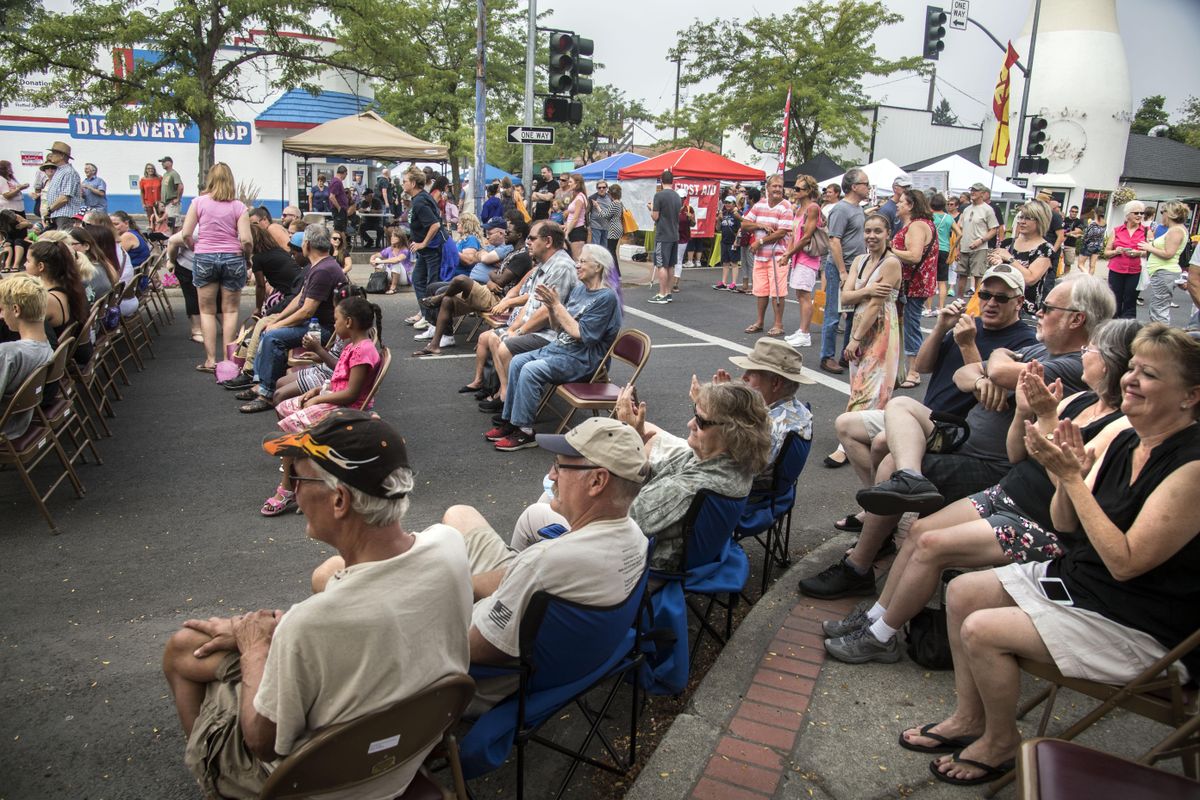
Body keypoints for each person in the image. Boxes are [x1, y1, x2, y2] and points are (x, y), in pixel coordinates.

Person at [907, 323, 1200, 786]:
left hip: (1140, 622)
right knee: (963, 591)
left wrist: (1074, 482)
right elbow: (1065, 524)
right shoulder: (1128, 439)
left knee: (983, 630)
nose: (1131, 379)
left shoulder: (1192, 467)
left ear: (1190, 396)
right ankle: (969, 719)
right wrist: (1069, 477)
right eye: (1134, 368)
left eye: (1150, 375)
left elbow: (1125, 563)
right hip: (1086, 582)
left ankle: (1000, 742)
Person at [164, 411, 471, 799]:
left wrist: (255, 646)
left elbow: (262, 740)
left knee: (182, 648)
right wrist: (273, 629)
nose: (291, 489)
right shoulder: (449, 545)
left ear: (339, 500)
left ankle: (219, 777)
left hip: (321, 783)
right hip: (410, 746)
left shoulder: (311, 624)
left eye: (297, 477)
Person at [823, 319, 1139, 664]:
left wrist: (1045, 420)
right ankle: (875, 618)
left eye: (1091, 349)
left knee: (931, 546)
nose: (1083, 353)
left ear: (1108, 361)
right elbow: (1018, 455)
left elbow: (1066, 487)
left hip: (1041, 522)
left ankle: (881, 636)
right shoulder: (1079, 401)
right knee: (919, 531)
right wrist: (1023, 411)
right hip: (1010, 493)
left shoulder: (1118, 426)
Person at [800, 273, 1113, 599]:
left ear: (1076, 319)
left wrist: (986, 360)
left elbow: (999, 370)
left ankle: (861, 564)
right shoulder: (1037, 348)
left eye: (1047, 307)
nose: (1040, 313)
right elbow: (948, 371)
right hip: (960, 436)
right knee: (897, 410)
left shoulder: (1069, 363)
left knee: (889, 457)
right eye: (985, 294)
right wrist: (977, 371)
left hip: (991, 462)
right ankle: (902, 491)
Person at [833, 266, 1037, 522]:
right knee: (846, 424)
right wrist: (941, 327)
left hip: (955, 426)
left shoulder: (1024, 342)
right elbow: (923, 366)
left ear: (1019, 302)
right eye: (985, 295)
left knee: (883, 443)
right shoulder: (969, 324)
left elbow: (988, 399)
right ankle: (879, 507)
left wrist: (967, 345)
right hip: (925, 415)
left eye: (1001, 298)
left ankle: (879, 517)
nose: (991, 303)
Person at [486, 244, 622, 451]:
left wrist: (557, 305)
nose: (577, 265)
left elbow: (581, 334)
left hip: (583, 359)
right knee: (517, 362)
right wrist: (551, 308)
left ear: (598, 267)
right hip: (562, 349)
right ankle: (511, 422)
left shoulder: (606, 298)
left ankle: (525, 432)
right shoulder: (579, 290)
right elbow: (559, 328)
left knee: (530, 370)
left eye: (583, 261)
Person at [262, 297, 383, 514]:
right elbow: (340, 378)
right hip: (336, 402)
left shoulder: (363, 351)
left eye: (336, 320)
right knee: (286, 408)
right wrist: (318, 390)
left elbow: (351, 393)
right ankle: (302, 468)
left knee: (290, 428)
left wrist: (319, 399)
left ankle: (288, 485)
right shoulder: (353, 346)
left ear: (348, 322)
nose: (333, 325)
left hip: (347, 411)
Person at [237, 224, 344, 413]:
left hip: (322, 328)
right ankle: (262, 384)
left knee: (273, 337)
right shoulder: (317, 265)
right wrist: (276, 321)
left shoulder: (323, 270)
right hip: (314, 323)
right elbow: (298, 299)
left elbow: (307, 311)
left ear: (308, 244)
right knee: (269, 327)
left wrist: (278, 326)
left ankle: (267, 393)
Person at [179, 162, 252, 373]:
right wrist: (246, 257)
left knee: (207, 311)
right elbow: (246, 239)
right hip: (232, 257)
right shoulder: (239, 207)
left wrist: (197, 247)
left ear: (210, 180)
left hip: (204, 257)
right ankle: (228, 361)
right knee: (230, 311)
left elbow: (185, 234)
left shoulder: (198, 203)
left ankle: (210, 360)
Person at [842, 214, 902, 414]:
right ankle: (858, 437)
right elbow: (845, 297)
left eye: (878, 231)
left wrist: (855, 339)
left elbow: (876, 305)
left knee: (870, 388)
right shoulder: (860, 260)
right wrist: (867, 290)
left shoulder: (891, 263)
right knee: (856, 384)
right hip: (859, 326)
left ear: (888, 234)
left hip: (880, 330)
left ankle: (847, 442)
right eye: (868, 231)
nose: (872, 236)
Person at [820, 169, 869, 376]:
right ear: (854, 186)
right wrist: (842, 271)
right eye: (865, 184)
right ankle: (827, 356)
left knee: (851, 314)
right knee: (834, 313)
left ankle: (845, 354)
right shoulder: (841, 209)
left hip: (855, 267)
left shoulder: (858, 209)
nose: (868, 187)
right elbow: (834, 241)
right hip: (841, 268)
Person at [892, 188, 938, 388]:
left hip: (913, 285)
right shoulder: (921, 224)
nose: (897, 204)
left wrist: (889, 250)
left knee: (910, 326)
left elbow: (914, 256)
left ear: (910, 205)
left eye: (901, 201)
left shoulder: (917, 226)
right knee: (907, 324)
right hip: (913, 284)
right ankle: (906, 368)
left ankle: (914, 371)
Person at [0, 275, 53, 439]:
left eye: (2, 309)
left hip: (6, 427)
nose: (1, 316)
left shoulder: (8, 353)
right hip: (20, 422)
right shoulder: (47, 347)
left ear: (16, 310)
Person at [23, 238, 91, 365]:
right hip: (68, 353)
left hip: (55, 362)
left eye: (28, 261)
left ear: (41, 266)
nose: (25, 265)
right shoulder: (70, 286)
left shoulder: (47, 299)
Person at [740, 175, 794, 335]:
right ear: (767, 188)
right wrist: (759, 224)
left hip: (778, 256)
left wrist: (760, 241)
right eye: (774, 186)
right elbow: (744, 223)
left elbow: (782, 232)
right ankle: (760, 321)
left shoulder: (786, 207)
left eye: (780, 186)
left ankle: (778, 324)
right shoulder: (760, 205)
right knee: (761, 291)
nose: (777, 189)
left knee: (777, 292)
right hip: (761, 256)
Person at [777, 174, 822, 348]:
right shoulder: (798, 209)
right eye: (794, 188)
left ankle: (805, 333)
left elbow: (806, 238)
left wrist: (788, 254)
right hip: (798, 257)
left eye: (799, 189)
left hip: (807, 257)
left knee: (804, 295)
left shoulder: (812, 208)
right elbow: (793, 235)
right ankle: (802, 330)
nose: (795, 191)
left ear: (809, 191)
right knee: (800, 294)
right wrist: (787, 253)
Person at [988, 200, 1055, 316]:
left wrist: (1009, 259)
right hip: (999, 304)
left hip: (1025, 309)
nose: (1022, 222)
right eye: (1021, 217)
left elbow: (1030, 279)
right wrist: (996, 263)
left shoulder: (1045, 249)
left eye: (1028, 218)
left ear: (1040, 221)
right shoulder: (1007, 243)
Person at [402, 167, 444, 328]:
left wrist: (423, 243)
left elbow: (434, 224)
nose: (403, 184)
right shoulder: (420, 198)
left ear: (413, 183)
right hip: (426, 252)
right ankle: (427, 315)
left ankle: (432, 320)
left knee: (431, 285)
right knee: (419, 280)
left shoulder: (420, 201)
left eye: (405, 181)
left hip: (431, 250)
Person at [1139, 201, 1188, 325]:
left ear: (1170, 213)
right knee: (1157, 309)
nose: (1162, 215)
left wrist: (1149, 247)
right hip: (1162, 271)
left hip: (1165, 272)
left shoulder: (1176, 230)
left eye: (1163, 212)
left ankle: (1162, 340)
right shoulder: (1175, 229)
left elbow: (1168, 253)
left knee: (1159, 311)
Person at [1102, 200, 1148, 319]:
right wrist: (1116, 251)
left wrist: (1139, 253)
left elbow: (1151, 252)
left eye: (1142, 213)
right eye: (1136, 213)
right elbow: (1106, 252)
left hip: (1135, 271)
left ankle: (1127, 330)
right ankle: (1112, 327)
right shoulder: (1117, 230)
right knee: (1114, 299)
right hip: (1116, 269)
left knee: (1130, 300)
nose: (1139, 215)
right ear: (1127, 215)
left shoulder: (1147, 231)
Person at [955, 182, 1001, 299]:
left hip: (979, 248)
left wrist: (980, 241)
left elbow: (993, 229)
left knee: (978, 275)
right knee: (961, 274)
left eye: (975, 191)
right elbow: (960, 228)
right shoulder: (966, 209)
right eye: (971, 190)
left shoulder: (987, 209)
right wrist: (957, 248)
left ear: (982, 193)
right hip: (965, 246)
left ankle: (978, 301)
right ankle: (959, 301)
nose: (972, 193)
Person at [648, 170, 683, 305]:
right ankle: (668, 292)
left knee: (661, 264)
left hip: (663, 234)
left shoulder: (659, 196)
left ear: (661, 181)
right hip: (674, 234)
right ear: (672, 181)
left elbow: (655, 216)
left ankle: (662, 293)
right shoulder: (677, 196)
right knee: (670, 265)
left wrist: (650, 208)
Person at [166, 233, 203, 344]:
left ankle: (225, 327)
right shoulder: (196, 230)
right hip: (188, 265)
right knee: (192, 296)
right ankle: (196, 330)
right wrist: (171, 261)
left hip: (209, 266)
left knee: (217, 297)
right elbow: (173, 241)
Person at [40, 142, 84, 230]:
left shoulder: (69, 172)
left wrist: (49, 210)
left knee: (64, 240)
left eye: (54, 153)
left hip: (65, 215)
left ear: (62, 156)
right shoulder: (59, 171)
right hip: (57, 214)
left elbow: (64, 198)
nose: (51, 155)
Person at [927, 193, 954, 316]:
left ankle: (928, 307)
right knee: (942, 281)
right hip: (945, 249)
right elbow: (959, 233)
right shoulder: (948, 218)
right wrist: (952, 247)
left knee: (930, 279)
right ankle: (941, 307)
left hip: (932, 249)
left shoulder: (930, 217)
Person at [370, 228, 411, 295]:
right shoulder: (390, 249)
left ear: (400, 238)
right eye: (392, 236)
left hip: (404, 278)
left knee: (396, 264)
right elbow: (378, 255)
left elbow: (397, 259)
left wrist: (381, 262)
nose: (392, 238)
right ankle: (378, 284)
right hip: (392, 274)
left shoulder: (405, 250)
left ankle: (393, 287)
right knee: (377, 259)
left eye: (395, 236)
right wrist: (372, 258)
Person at [715, 195, 742, 291]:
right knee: (725, 262)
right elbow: (718, 228)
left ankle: (734, 283)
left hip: (733, 241)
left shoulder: (737, 214)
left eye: (729, 202)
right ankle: (723, 282)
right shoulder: (724, 213)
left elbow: (740, 228)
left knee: (734, 262)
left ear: (734, 203)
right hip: (724, 241)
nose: (727, 204)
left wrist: (737, 241)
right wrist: (719, 219)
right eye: (725, 202)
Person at [672, 193, 695, 292]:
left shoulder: (689, 209)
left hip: (683, 238)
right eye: (679, 197)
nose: (681, 199)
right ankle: (668, 280)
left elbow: (693, 224)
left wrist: (691, 218)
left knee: (678, 259)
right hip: (671, 236)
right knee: (669, 259)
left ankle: (675, 283)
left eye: (683, 198)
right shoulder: (672, 207)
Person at [0, 209, 32, 273]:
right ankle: (7, 266)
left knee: (18, 241)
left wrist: (24, 224)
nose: (14, 220)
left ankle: (16, 265)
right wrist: (2, 242)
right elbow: (1, 238)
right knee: (8, 243)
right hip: (9, 239)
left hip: (22, 239)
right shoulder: (2, 223)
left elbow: (31, 225)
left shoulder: (17, 217)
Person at [588, 179, 615, 253]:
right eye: (599, 187)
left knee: (604, 247)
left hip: (607, 226)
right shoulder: (592, 198)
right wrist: (587, 225)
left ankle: (602, 263)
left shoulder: (610, 197)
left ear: (607, 188)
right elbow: (587, 212)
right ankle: (596, 262)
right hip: (595, 225)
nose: (601, 189)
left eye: (603, 187)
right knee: (596, 246)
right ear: (597, 189)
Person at [1078, 206, 1106, 275]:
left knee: (1080, 264)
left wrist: (1082, 238)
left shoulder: (1092, 223)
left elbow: (1087, 235)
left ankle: (1087, 277)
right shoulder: (1104, 223)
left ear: (1095, 213)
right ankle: (1090, 280)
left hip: (1089, 245)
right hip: (1098, 245)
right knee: (1092, 266)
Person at [604, 183, 626, 269]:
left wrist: (598, 207)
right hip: (618, 227)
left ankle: (615, 272)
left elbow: (605, 215)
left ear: (610, 194)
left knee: (611, 251)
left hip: (613, 228)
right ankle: (615, 272)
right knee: (612, 250)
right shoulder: (620, 203)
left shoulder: (614, 203)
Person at [159, 156, 183, 230]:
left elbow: (180, 186)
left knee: (175, 223)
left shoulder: (174, 174)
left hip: (172, 203)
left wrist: (178, 198)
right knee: (170, 223)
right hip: (167, 203)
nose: (162, 164)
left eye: (164, 162)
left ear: (170, 163)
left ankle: (177, 239)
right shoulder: (166, 174)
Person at [328, 166, 350, 233]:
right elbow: (332, 196)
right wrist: (339, 208)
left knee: (342, 230)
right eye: (346, 174)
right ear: (344, 173)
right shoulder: (337, 182)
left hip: (341, 209)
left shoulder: (337, 181)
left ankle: (343, 243)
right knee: (339, 230)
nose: (346, 176)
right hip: (338, 210)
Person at [1061, 204, 1082, 274]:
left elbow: (1078, 231)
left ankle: (1065, 278)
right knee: (1056, 261)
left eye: (1076, 212)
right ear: (1069, 211)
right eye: (1072, 211)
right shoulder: (1064, 219)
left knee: (1068, 263)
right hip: (1060, 243)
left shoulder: (1079, 221)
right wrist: (1070, 233)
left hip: (1070, 245)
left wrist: (1067, 233)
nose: (1074, 213)